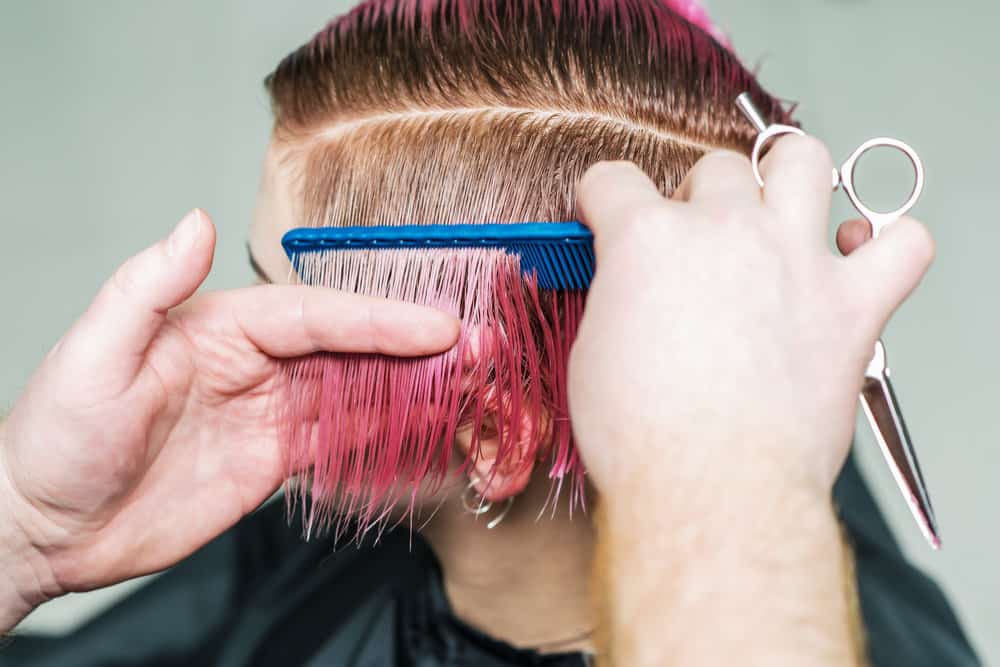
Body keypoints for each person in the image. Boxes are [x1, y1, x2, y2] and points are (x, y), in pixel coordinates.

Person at [0, 1, 979, 665]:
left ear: (492, 434)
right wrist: (21, 528)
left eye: (286, 302)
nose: (239, 335)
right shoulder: (759, 406)